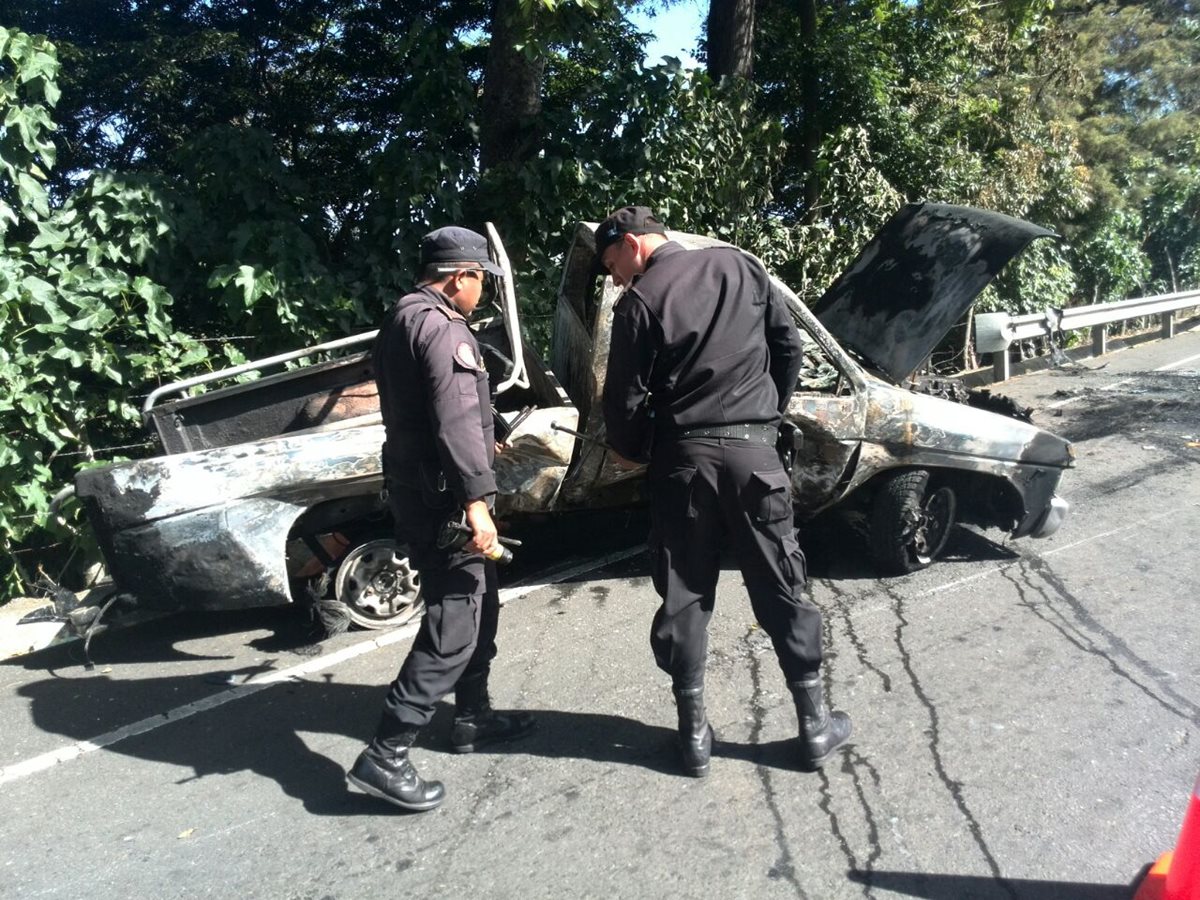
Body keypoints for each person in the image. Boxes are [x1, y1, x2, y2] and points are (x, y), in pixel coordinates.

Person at [597, 206, 851, 777]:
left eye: (614, 264)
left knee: (684, 592)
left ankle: (693, 739)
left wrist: (635, 448)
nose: (616, 278)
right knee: (780, 582)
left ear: (635, 245)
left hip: (682, 464)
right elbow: (788, 347)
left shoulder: (639, 303)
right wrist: (765, 415)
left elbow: (625, 402)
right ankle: (813, 728)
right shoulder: (742, 267)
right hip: (754, 455)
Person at [348, 226, 535, 811]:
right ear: (461, 276)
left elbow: (438, 410)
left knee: (481, 604)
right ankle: (386, 752)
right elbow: (452, 421)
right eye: (482, 282)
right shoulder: (443, 326)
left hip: (422, 489)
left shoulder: (402, 320)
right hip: (446, 502)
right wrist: (477, 501)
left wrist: (492, 434)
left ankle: (472, 716)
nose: (483, 295)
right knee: (457, 617)